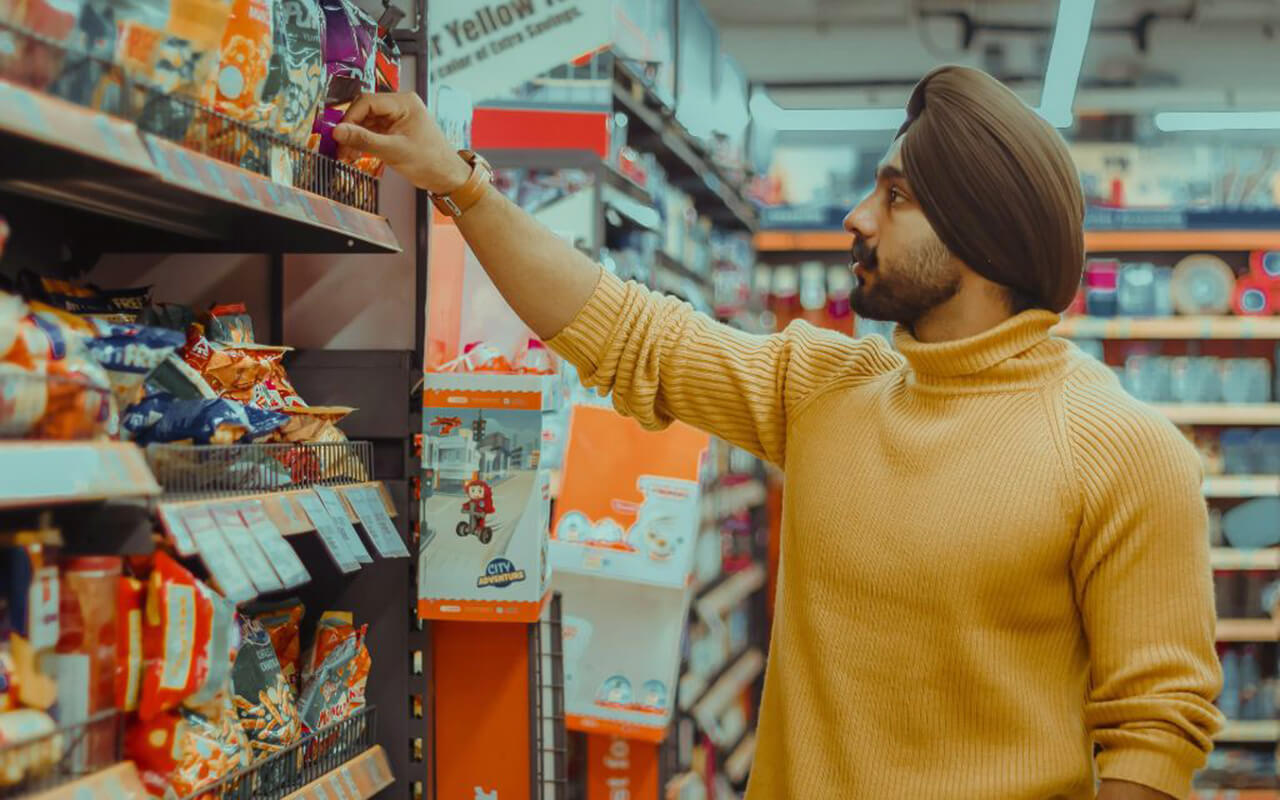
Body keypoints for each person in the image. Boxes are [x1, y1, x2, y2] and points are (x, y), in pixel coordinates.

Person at [334, 65, 1223, 800]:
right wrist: (458, 182)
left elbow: (1154, 733)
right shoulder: (826, 386)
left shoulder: (1125, 452)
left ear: (979, 237)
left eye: (897, 196)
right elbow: (623, 329)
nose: (857, 218)